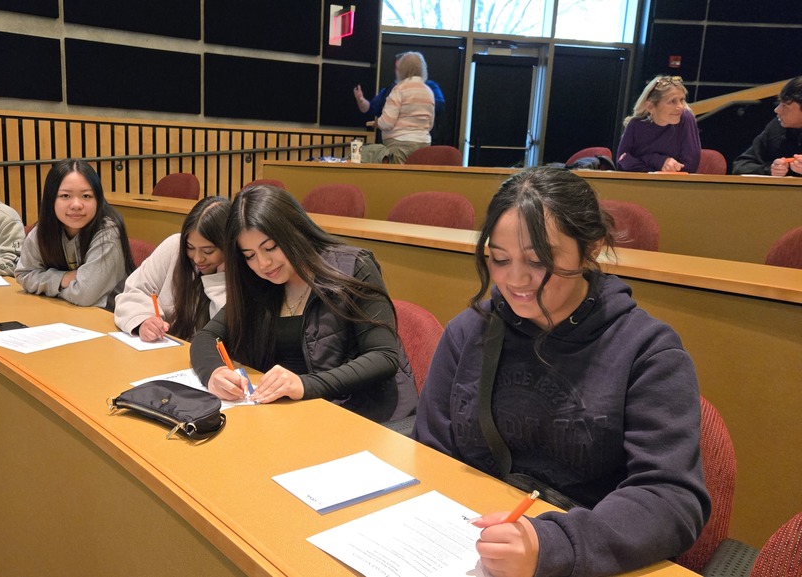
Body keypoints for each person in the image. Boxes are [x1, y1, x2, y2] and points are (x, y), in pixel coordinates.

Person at [412, 167, 709, 577]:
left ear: (590, 250)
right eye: (499, 259)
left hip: (583, 557)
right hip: (469, 546)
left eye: (538, 261)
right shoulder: (471, 330)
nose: (515, 280)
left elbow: (671, 497)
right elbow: (431, 449)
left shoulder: (648, 352)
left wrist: (551, 544)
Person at [189, 184, 417, 423]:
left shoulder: (352, 267)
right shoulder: (257, 283)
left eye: (270, 248)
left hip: (362, 414)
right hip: (291, 416)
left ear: (294, 231)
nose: (263, 264)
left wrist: (304, 384)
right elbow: (207, 337)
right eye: (250, 255)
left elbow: (383, 356)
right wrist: (214, 373)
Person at [15, 159, 134, 309]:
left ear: (98, 199)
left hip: (109, 318)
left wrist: (46, 285)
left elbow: (84, 295)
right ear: (51, 199)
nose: (76, 205)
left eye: (86, 196)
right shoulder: (42, 231)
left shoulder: (108, 232)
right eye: (65, 196)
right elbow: (23, 275)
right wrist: (63, 278)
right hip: (63, 313)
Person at [114, 195, 231, 342]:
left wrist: (218, 280)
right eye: (190, 247)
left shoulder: (242, 272)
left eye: (208, 251)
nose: (197, 258)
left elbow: (226, 332)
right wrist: (143, 320)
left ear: (228, 245)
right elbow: (133, 292)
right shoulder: (175, 247)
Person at [352, 52, 446, 144]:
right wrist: (361, 100)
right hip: (418, 141)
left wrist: (411, 104)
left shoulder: (428, 88)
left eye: (400, 69)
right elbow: (371, 108)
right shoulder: (391, 90)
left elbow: (440, 106)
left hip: (402, 142)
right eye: (397, 69)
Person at [617, 75, 701, 173]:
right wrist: (657, 161)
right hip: (639, 183)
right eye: (672, 101)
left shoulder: (686, 118)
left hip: (674, 185)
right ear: (650, 106)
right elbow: (621, 162)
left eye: (682, 100)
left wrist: (645, 161)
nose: (681, 107)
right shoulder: (635, 124)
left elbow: (690, 167)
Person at [363, 52, 436, 164]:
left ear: (402, 69)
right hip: (424, 144)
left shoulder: (399, 89)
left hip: (400, 144)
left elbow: (387, 123)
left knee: (398, 178)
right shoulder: (428, 91)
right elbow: (430, 124)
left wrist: (377, 123)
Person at [732, 76, 802, 176]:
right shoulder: (777, 127)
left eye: (785, 106)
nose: (777, 110)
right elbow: (741, 166)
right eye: (779, 103)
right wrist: (769, 170)